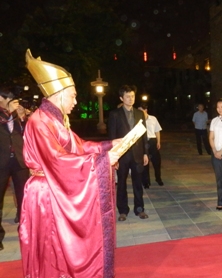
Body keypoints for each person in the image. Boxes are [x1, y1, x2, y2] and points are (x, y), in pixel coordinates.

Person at [20, 49, 121, 278]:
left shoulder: (56, 120)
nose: (76, 101)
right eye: (73, 96)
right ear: (59, 94)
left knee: (59, 247)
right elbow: (57, 161)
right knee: (51, 246)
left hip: (53, 189)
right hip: (45, 193)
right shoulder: (39, 121)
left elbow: (80, 146)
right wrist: (102, 161)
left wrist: (109, 145)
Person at [108, 85, 149, 221]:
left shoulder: (139, 114)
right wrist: (115, 158)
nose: (131, 99)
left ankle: (139, 209)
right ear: (121, 98)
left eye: (132, 96)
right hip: (122, 155)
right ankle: (123, 210)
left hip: (137, 154)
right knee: (122, 184)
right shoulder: (115, 114)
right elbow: (112, 137)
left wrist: (145, 153)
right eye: (127, 96)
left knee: (138, 183)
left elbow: (144, 135)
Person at [0, 87, 29, 251]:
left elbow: (27, 131)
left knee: (24, 196)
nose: (14, 103)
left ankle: (25, 230)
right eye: (10, 100)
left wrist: (23, 117)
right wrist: (10, 112)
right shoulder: (5, 114)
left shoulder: (16, 114)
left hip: (19, 160)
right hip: (1, 161)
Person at [138, 103, 164, 187]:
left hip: (152, 140)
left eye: (140, 110)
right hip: (142, 141)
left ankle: (158, 178)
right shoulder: (137, 119)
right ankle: (146, 181)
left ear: (145, 110)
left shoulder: (153, 118)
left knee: (156, 161)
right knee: (145, 162)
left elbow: (157, 130)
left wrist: (158, 141)